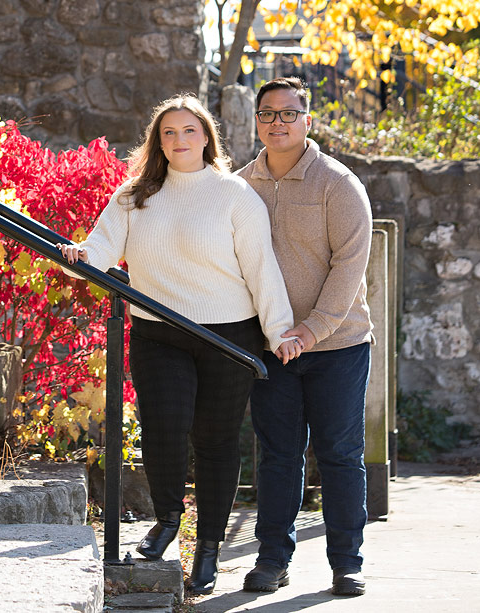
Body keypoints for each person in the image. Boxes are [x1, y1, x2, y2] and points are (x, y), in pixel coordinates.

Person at [58, 93, 303, 595]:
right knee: (163, 431)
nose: (179, 139)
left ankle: (208, 548)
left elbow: (262, 269)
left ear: (207, 137)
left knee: (215, 443)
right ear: (158, 141)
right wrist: (78, 256)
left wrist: (280, 332)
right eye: (168, 132)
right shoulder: (134, 196)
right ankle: (168, 519)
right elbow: (99, 250)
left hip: (227, 335)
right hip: (159, 333)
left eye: (189, 130)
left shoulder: (235, 196)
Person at [236, 76, 375, 597]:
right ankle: (272, 559)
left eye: (289, 113)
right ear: (256, 121)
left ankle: (347, 563)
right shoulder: (239, 185)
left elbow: (349, 267)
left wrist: (310, 330)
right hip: (271, 347)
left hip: (338, 346)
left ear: (307, 120)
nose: (278, 123)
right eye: (268, 114)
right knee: (277, 456)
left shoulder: (338, 184)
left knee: (339, 454)